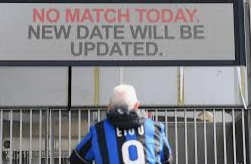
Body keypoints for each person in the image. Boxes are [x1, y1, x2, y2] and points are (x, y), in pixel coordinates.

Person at [70, 84, 172, 164]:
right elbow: (167, 160)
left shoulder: (98, 131)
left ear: (109, 107)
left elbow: (76, 159)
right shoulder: (155, 128)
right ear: (137, 105)